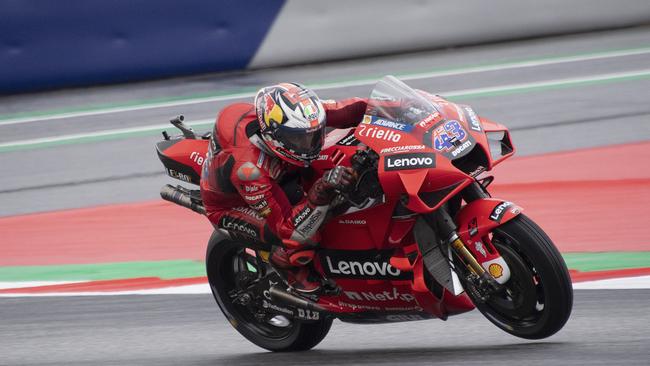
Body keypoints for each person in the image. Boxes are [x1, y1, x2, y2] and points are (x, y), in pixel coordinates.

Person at [200, 82, 367, 293]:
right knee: (306, 234)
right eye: (300, 139)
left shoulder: (300, 119)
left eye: (314, 134)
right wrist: (321, 188)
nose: (310, 143)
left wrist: (402, 108)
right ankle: (285, 266)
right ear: (273, 135)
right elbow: (288, 227)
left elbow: (353, 109)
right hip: (234, 204)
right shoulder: (249, 170)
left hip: (281, 174)